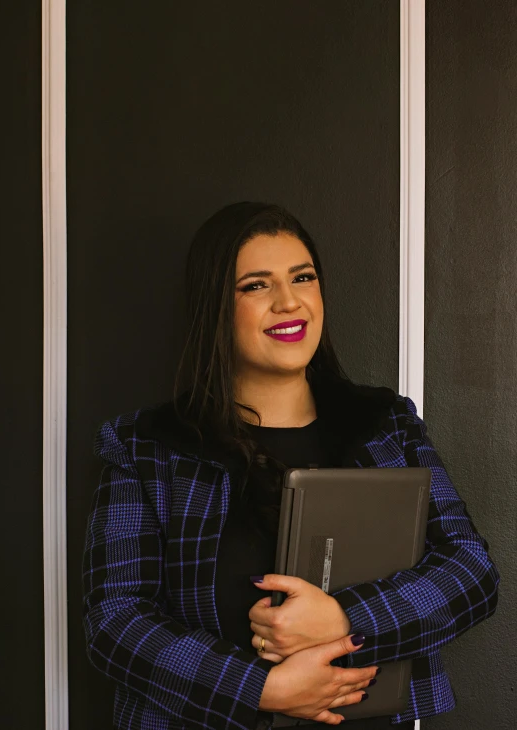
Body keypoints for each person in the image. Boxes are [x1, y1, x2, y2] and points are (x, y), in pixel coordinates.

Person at [82, 202, 499, 730]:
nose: (289, 302)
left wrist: (346, 618)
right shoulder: (145, 446)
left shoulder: (385, 423)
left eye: (302, 277)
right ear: (215, 305)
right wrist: (259, 689)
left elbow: (470, 573)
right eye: (256, 285)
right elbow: (115, 620)